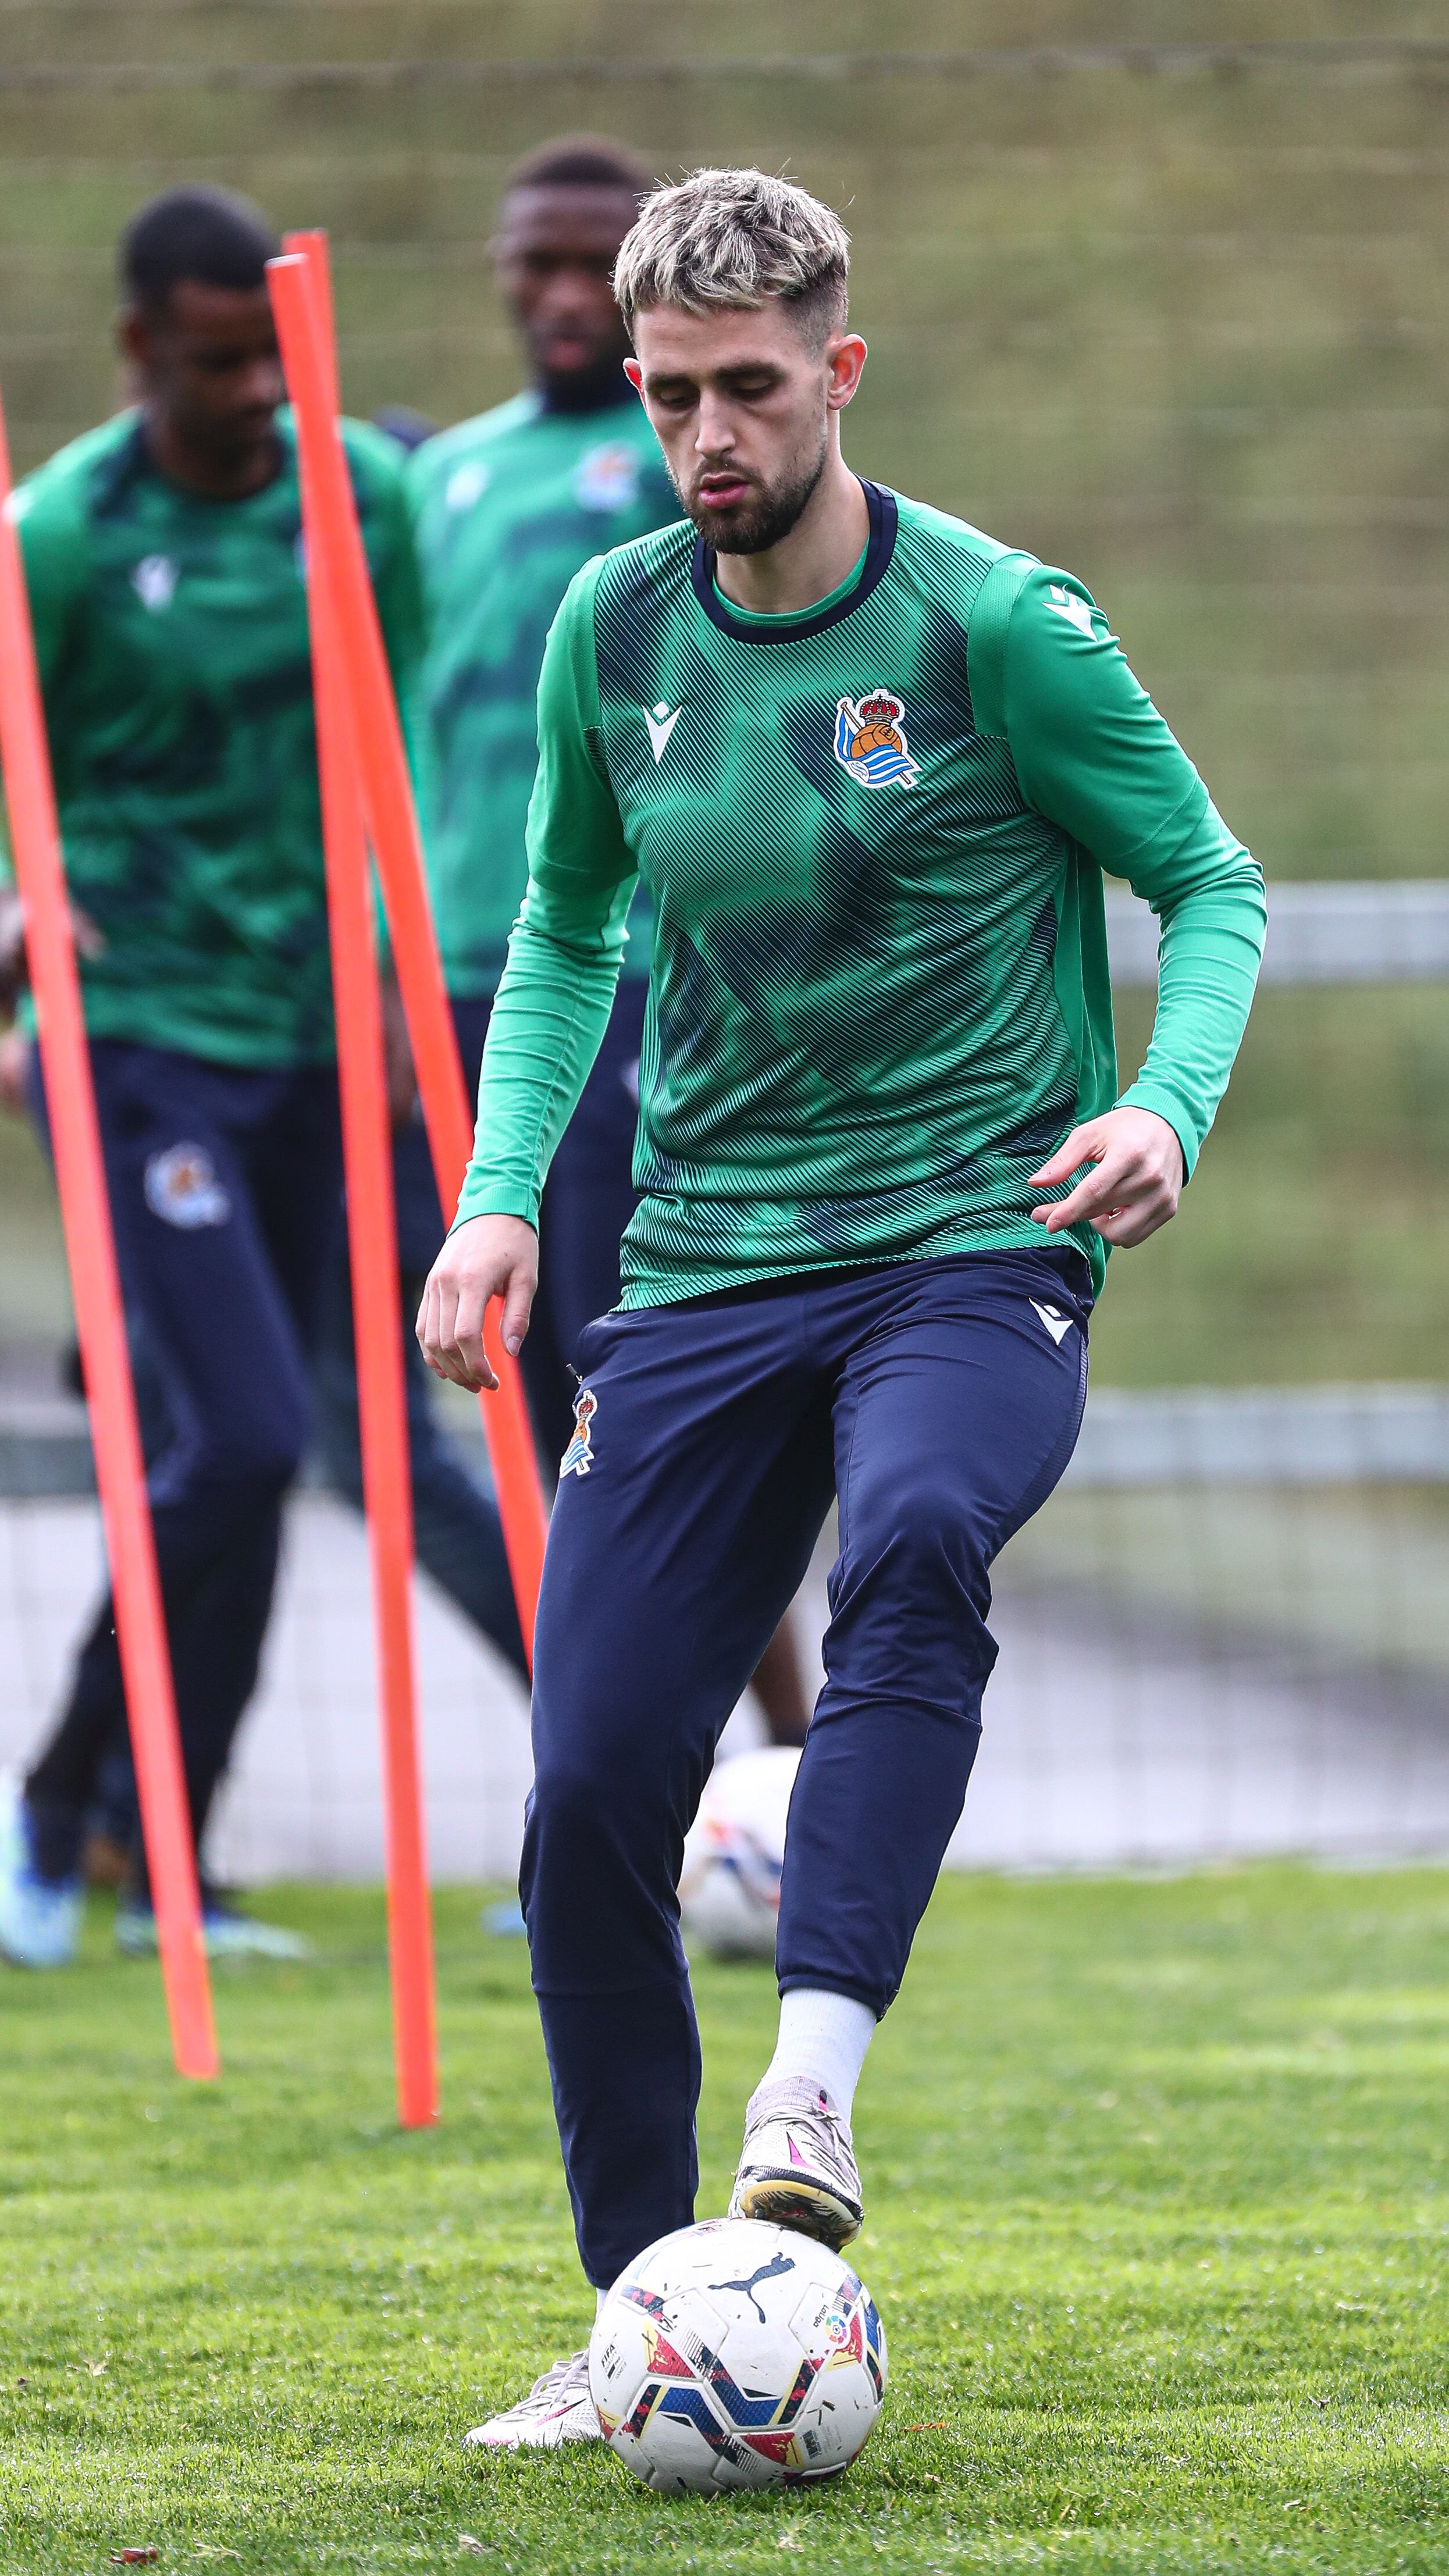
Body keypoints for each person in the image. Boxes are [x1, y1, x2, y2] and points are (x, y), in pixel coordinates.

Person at [418, 167, 1267, 2447]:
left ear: (838, 373)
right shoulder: (612, 627)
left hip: (972, 1241)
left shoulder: (997, 625)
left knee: (908, 1547)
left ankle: (806, 2107)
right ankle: (643, 2325)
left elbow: (1204, 878)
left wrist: (1164, 1104)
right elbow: (563, 929)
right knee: (589, 1780)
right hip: (698, 1265)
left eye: (746, 390)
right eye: (666, 392)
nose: (703, 434)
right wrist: (502, 1204)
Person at [332, 135, 807, 1734]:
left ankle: (793, 1755)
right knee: (504, 1383)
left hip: (641, 986)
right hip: (464, 978)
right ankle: (620, 1768)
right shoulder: (441, 478)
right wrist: (393, 972)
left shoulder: (695, 471)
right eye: (524, 262)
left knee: (649, 1373)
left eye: (578, 265)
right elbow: (397, 724)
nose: (548, 293)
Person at [0, 184, 423, 1966]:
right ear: (137, 353)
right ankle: (53, 1809)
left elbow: (391, 743)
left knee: (254, 1457)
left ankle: (164, 1852)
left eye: (270, 355)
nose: (249, 390)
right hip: (138, 1039)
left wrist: (409, 990)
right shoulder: (65, 535)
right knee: (246, 1433)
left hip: (320, 1037)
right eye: (208, 361)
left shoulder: (365, 497)